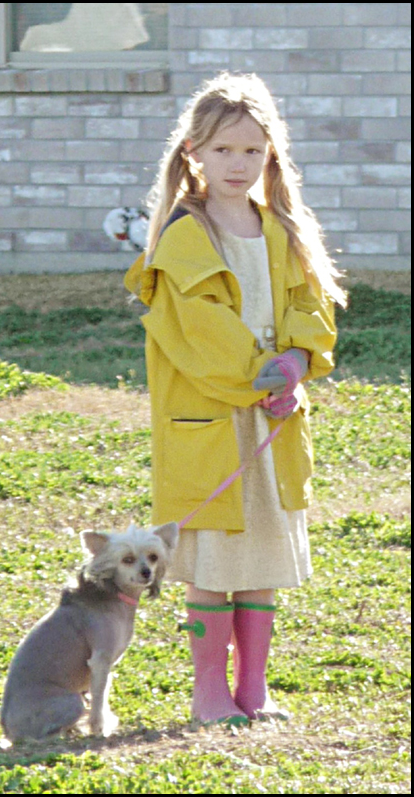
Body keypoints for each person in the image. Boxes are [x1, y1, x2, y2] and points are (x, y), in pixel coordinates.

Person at [124, 72, 346, 727]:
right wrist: (265, 377)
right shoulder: (184, 237)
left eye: (252, 150)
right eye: (223, 150)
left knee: (260, 559)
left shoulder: (280, 227)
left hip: (271, 420)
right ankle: (207, 693)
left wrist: (299, 360)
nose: (238, 164)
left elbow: (311, 303)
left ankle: (254, 687)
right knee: (213, 563)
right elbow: (203, 335)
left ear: (271, 154)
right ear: (193, 151)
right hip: (214, 418)